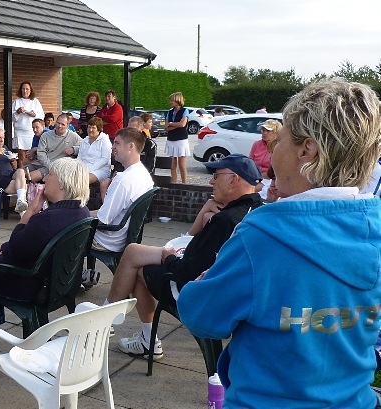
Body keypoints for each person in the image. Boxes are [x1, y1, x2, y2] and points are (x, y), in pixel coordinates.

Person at [178, 78, 381, 408]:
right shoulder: (376, 227)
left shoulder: (262, 235)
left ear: (307, 149)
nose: (272, 153)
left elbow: (202, 316)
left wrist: (204, 282)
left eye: (280, 141)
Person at [108, 153, 263, 360]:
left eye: (216, 176)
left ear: (234, 180)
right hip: (233, 294)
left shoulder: (226, 221)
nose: (210, 181)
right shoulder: (258, 212)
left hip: (199, 296)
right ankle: (118, 323)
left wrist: (168, 258)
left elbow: (185, 272)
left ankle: (111, 324)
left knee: (137, 266)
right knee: (134, 252)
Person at [0, 157, 90, 301]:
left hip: (32, 285)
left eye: (50, 174)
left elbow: (15, 249)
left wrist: (31, 210)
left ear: (63, 183)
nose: (44, 179)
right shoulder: (83, 211)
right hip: (61, 283)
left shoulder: (49, 219)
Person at [91, 127, 154, 253]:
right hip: (125, 237)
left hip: (108, 240)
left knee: (62, 231)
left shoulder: (123, 180)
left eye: (117, 143)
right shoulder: (143, 174)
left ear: (131, 146)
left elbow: (103, 219)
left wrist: (76, 214)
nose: (112, 147)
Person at [25, 113, 81, 182]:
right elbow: (41, 153)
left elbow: (84, 147)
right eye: (58, 123)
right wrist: (49, 165)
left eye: (63, 124)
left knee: (29, 177)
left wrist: (74, 149)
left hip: (55, 167)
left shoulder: (73, 136)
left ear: (67, 126)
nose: (60, 126)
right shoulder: (46, 136)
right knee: (18, 173)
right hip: (42, 163)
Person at [12, 81, 44, 167]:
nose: (25, 91)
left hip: (32, 132)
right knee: (21, 156)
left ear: (30, 90)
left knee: (30, 155)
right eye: (23, 89)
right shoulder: (17, 101)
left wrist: (34, 115)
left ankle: (29, 173)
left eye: (27, 89)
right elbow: (12, 118)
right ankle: (21, 172)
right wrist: (18, 112)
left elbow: (41, 116)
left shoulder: (35, 101)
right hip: (20, 132)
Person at [164, 92, 189, 183]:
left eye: (172, 100)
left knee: (182, 165)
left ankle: (184, 184)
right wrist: (175, 125)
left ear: (177, 100)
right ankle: (174, 184)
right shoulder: (169, 112)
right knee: (172, 165)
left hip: (181, 140)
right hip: (171, 140)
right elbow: (166, 127)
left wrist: (171, 124)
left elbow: (183, 124)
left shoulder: (184, 111)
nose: (170, 102)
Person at [77, 116, 111, 184]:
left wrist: (88, 169)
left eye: (93, 128)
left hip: (100, 170)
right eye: (89, 127)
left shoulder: (104, 140)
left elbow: (105, 159)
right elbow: (79, 157)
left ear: (99, 129)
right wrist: (78, 168)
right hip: (83, 169)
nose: (90, 130)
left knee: (82, 180)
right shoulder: (84, 141)